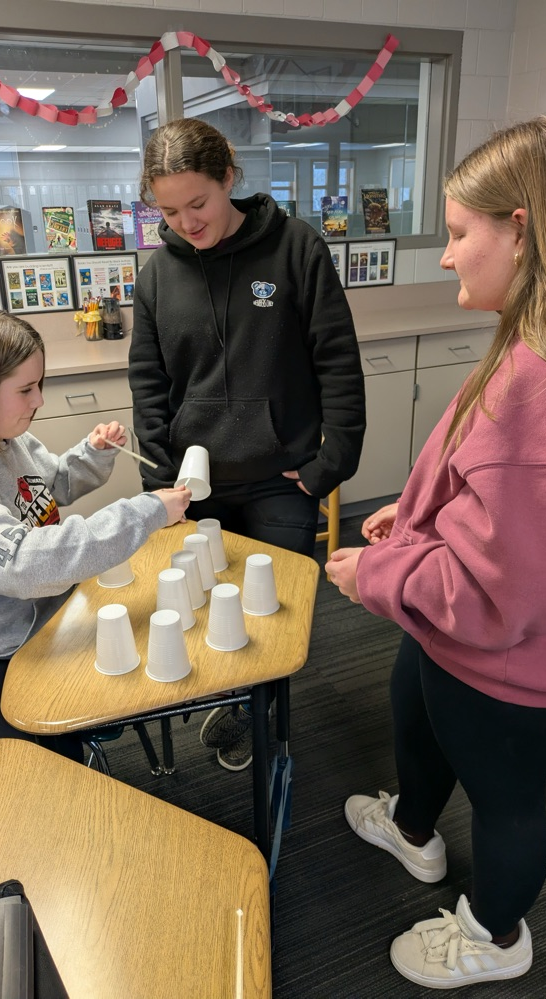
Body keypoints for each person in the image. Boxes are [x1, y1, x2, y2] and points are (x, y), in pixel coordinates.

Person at [325, 115, 546, 989]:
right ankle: (412, 828)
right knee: (414, 713)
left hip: (514, 657)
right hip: (461, 638)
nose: (448, 256)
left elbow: (510, 592)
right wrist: (419, 513)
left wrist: (375, 572)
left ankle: (496, 936)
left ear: (521, 230)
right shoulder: (543, 339)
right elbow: (506, 497)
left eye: (460, 234)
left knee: (505, 800)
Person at [129, 117, 366, 771]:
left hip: (279, 479)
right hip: (194, 485)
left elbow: (338, 362)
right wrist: (159, 482)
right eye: (169, 211)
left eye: (198, 203)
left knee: (270, 619)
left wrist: (330, 463)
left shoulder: (296, 249)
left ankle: (258, 717)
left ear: (229, 178)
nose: (187, 222)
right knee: (203, 611)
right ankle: (230, 701)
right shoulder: (157, 277)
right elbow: (148, 384)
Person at [0, 303, 191, 763]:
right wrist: (144, 513)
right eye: (26, 389)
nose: (39, 401)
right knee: (49, 762)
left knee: (139, 662)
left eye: (39, 385)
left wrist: (93, 453)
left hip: (38, 624)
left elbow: (52, 484)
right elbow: (26, 564)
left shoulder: (7, 438)